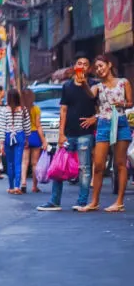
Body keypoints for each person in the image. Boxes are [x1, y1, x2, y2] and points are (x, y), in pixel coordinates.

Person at [38, 54, 97, 211]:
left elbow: (101, 108)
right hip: (69, 133)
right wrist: (61, 134)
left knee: (84, 168)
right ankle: (54, 201)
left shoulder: (93, 85)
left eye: (85, 64)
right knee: (59, 167)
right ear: (74, 67)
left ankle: (82, 201)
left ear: (89, 68)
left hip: (86, 133)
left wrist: (94, 118)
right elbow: (63, 110)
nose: (82, 66)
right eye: (79, 63)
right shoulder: (67, 86)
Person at [78, 55, 133, 213]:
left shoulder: (123, 82)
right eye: (96, 68)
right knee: (99, 165)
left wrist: (122, 104)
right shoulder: (98, 86)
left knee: (120, 163)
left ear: (109, 65)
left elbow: (131, 102)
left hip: (120, 121)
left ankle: (119, 202)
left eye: (101, 66)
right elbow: (90, 95)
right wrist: (83, 85)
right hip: (103, 123)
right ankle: (94, 201)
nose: (99, 69)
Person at [0, 88, 31, 194]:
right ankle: (17, 186)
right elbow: (27, 125)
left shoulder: (4, 110)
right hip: (20, 136)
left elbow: (1, 127)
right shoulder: (23, 109)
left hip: (8, 137)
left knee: (10, 163)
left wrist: (1, 143)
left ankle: (11, 187)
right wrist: (27, 138)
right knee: (18, 162)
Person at [21, 88, 47, 194]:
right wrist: (44, 141)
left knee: (24, 162)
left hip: (24, 136)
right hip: (35, 135)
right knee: (35, 163)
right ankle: (34, 186)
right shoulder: (36, 109)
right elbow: (38, 126)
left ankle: (23, 182)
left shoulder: (20, 109)